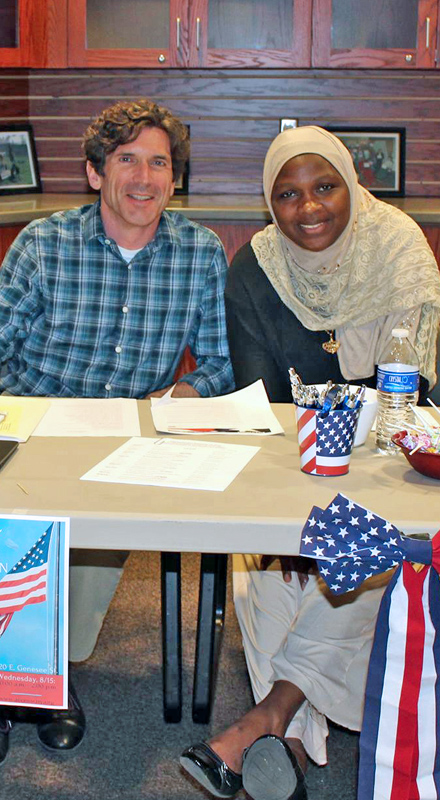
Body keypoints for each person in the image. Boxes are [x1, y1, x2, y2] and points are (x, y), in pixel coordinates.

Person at [180, 126, 440, 800]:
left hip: (392, 461)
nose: (309, 208)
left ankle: (267, 722)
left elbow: (414, 392)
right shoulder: (256, 268)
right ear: (271, 203)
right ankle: (287, 745)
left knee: (363, 552)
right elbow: (268, 408)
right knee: (270, 566)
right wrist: (294, 523)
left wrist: (330, 516)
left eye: (324, 187)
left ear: (352, 183)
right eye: (288, 195)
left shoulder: (400, 252)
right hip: (296, 464)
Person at [0, 98, 234, 759]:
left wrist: (180, 394)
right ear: (94, 172)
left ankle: (48, 676)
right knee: (13, 529)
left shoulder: (200, 253)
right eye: (126, 159)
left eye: (159, 162)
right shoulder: (44, 245)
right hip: (35, 423)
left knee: (93, 541)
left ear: (174, 177)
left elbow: (220, 362)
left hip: (129, 437)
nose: (144, 176)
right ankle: (15, 681)